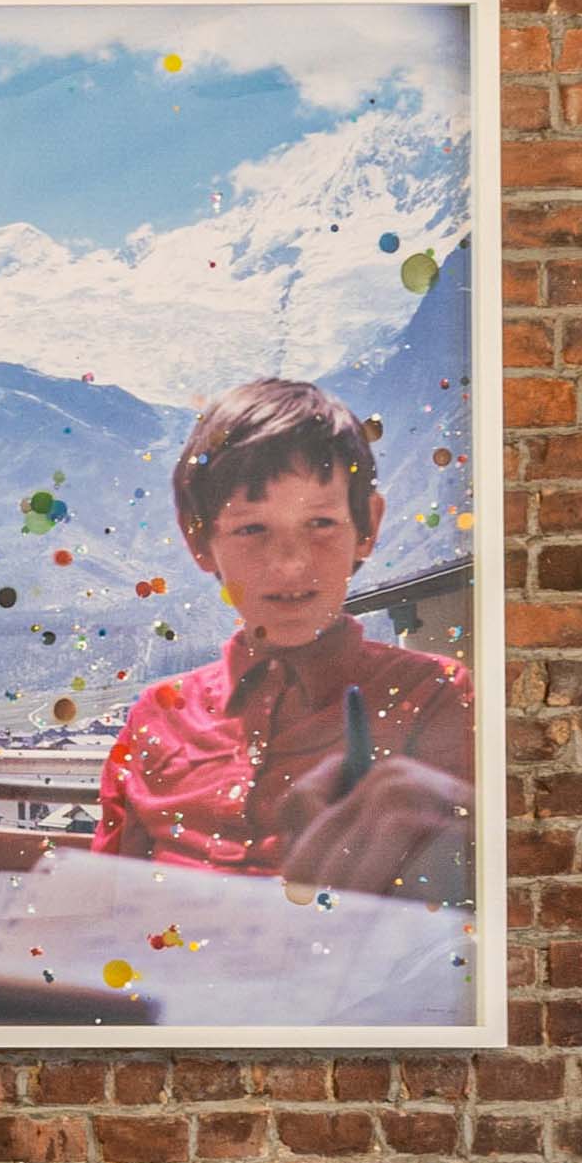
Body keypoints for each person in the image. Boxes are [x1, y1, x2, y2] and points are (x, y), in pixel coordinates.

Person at [95, 376, 472, 896]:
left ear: (367, 526)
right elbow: (104, 908)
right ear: (199, 538)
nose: (292, 564)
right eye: (252, 529)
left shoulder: (442, 698)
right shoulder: (155, 719)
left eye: (320, 523)